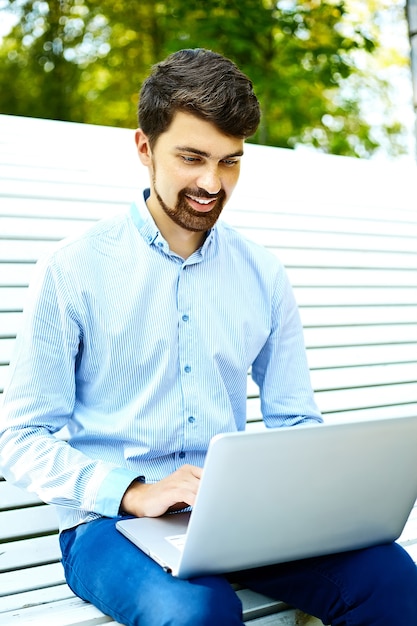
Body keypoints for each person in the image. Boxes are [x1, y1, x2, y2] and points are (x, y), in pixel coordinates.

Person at [0, 48, 416, 626]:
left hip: (240, 519)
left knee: (392, 580)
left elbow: (295, 421)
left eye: (230, 162)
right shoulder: (72, 271)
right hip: (110, 526)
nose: (211, 182)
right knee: (200, 611)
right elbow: (19, 437)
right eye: (192, 157)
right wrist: (132, 490)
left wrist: (321, 497)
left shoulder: (262, 274)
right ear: (144, 148)